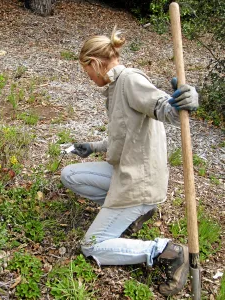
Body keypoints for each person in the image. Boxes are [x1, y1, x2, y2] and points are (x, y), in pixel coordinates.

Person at [60, 26, 199, 297]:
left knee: (92, 245)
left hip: (139, 183)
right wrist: (92, 146)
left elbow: (164, 109)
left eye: (86, 70)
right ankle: (130, 216)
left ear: (95, 63)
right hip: (126, 172)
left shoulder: (130, 80)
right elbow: (123, 137)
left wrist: (186, 101)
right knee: (70, 174)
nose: (87, 77)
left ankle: (168, 251)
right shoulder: (115, 87)